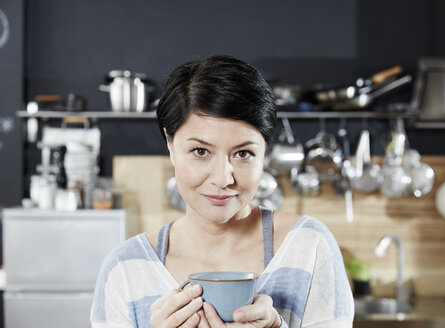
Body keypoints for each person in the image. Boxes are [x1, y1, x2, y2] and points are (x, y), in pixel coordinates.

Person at [90, 55, 354, 328]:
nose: (222, 178)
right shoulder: (125, 270)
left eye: (243, 153)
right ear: (170, 144)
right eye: (200, 151)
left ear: (265, 152)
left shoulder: (308, 247)